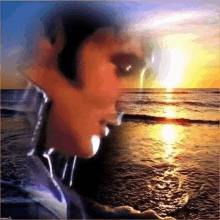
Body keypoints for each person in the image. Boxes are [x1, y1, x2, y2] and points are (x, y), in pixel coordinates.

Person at [1, 2, 174, 219]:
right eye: (124, 67)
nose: (118, 113)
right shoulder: (21, 195)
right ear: (50, 52)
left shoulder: (52, 144)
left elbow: (64, 203)